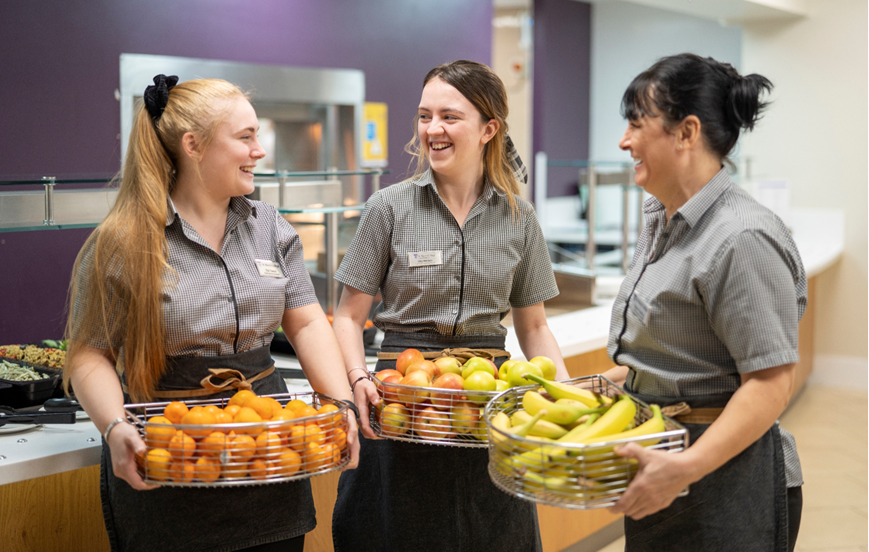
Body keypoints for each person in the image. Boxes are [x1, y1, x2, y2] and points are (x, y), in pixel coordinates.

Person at [63, 75, 360, 552]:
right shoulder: (122, 242)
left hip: (268, 453)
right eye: (245, 137)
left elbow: (305, 322)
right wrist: (115, 427)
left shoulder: (270, 229)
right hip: (171, 454)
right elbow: (88, 355)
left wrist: (341, 403)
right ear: (193, 145)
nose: (259, 150)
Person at [328, 60, 567, 551]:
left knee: (493, 533)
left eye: (449, 117)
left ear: (488, 129)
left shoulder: (520, 218)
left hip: (490, 400)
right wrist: (356, 382)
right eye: (424, 115)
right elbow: (349, 317)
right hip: (401, 394)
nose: (432, 129)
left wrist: (564, 401)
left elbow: (536, 327)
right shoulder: (387, 208)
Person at [596, 53, 805, 550]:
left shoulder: (741, 237)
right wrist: (591, 390)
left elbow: (770, 382)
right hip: (662, 461)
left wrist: (684, 468)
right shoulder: (660, 219)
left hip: (722, 477)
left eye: (636, 125)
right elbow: (678, 355)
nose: (624, 142)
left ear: (686, 133)